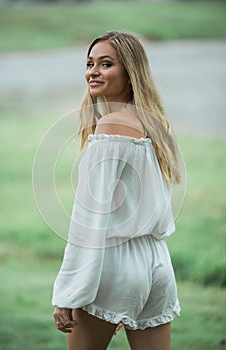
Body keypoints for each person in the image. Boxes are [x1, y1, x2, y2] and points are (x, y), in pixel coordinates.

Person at [52, 31, 182, 350]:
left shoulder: (111, 124)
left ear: (130, 71)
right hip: (157, 265)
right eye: (89, 63)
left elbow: (88, 218)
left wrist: (68, 292)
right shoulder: (152, 123)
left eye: (106, 64)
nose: (93, 71)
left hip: (112, 266)